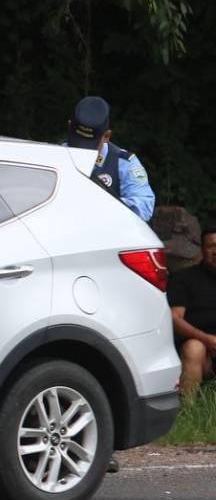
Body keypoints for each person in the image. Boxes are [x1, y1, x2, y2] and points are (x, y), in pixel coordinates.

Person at [65, 96, 155, 222]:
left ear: (107, 136)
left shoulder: (124, 163)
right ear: (69, 127)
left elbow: (144, 205)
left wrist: (100, 206)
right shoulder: (56, 155)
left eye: (90, 145)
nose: (82, 150)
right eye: (77, 142)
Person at [167, 226, 216, 396]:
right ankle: (189, 411)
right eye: (211, 246)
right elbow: (174, 318)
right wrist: (206, 339)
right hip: (202, 352)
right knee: (194, 347)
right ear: (202, 250)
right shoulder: (185, 278)